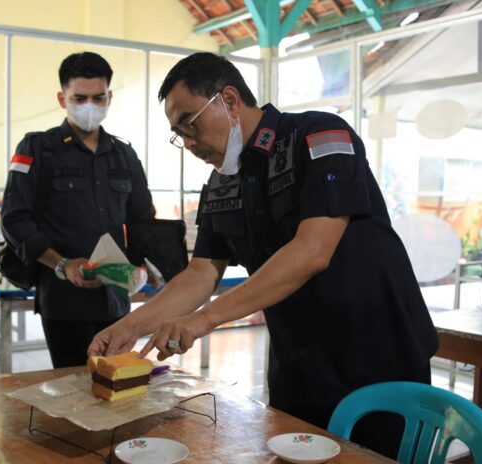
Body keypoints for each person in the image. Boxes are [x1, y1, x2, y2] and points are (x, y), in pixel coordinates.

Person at [88, 52, 439, 459]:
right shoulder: (220, 184)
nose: (188, 143)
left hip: (376, 357)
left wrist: (204, 320)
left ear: (230, 100)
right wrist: (131, 326)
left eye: (191, 123)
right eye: (178, 133)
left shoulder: (320, 136)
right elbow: (201, 272)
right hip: (299, 364)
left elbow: (313, 250)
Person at [1, 52, 155, 368]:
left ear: (109, 96)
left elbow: (143, 220)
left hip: (115, 298)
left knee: (117, 385)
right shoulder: (38, 148)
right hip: (63, 301)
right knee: (73, 389)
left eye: (98, 98)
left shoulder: (123, 155)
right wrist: (63, 265)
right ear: (62, 98)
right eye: (79, 98)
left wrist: (145, 267)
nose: (89, 106)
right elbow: (15, 219)